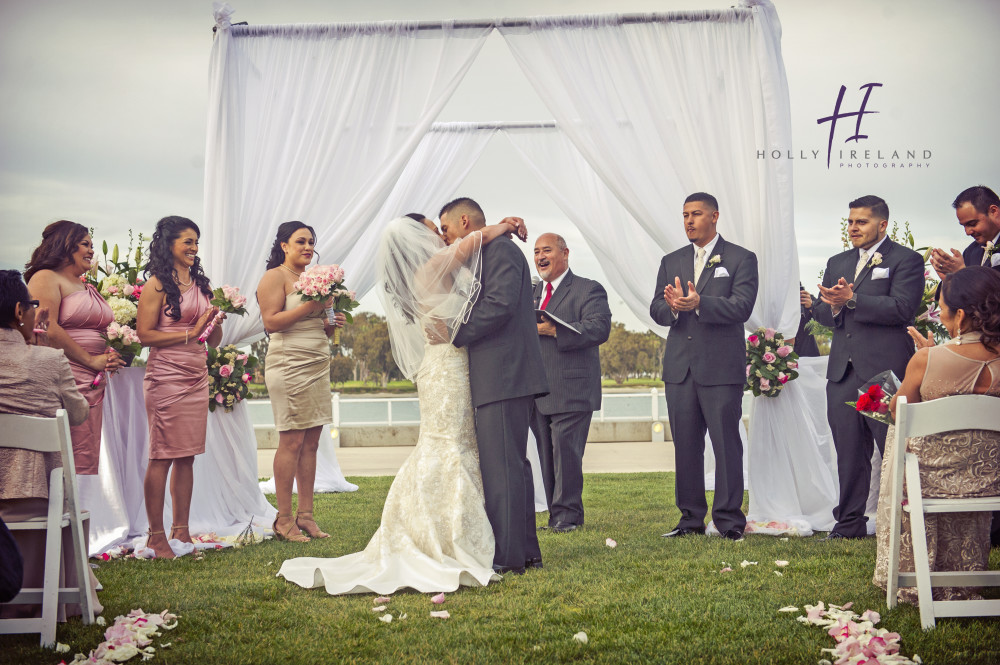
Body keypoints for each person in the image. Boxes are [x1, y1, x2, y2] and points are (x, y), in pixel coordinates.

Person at [277, 214, 523, 594]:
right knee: (449, 444)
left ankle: (445, 526)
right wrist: (506, 225)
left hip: (443, 364)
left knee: (448, 442)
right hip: (447, 367)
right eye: (432, 227)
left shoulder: (415, 276)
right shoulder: (433, 264)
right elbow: (478, 236)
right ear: (416, 238)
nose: (440, 233)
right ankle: (441, 533)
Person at [873, 266, 1000, 603]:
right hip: (991, 480)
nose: (940, 315)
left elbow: (900, 415)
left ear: (960, 315)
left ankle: (911, 571)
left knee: (900, 439)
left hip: (930, 482)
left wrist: (927, 357)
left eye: (942, 309)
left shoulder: (927, 359)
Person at [441, 198, 549, 574]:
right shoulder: (490, 250)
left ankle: (506, 558)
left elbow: (501, 304)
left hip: (504, 374)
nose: (445, 238)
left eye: (446, 230)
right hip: (503, 375)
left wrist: (455, 331)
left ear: (465, 221)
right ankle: (525, 552)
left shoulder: (499, 250)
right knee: (512, 466)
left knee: (502, 469)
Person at [813, 195, 925, 539]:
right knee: (848, 451)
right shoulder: (838, 261)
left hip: (882, 373)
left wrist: (853, 300)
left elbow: (903, 308)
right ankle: (848, 524)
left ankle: (905, 523)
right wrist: (832, 307)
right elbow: (820, 312)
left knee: (892, 449)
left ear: (882, 225)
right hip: (843, 372)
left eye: (860, 222)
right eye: (849, 222)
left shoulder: (905, 260)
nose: (853, 228)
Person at [649, 192, 758, 541]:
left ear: (715, 216)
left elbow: (741, 307)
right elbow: (656, 308)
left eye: (696, 214)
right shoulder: (671, 260)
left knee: (726, 444)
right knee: (686, 445)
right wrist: (674, 308)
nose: (689, 221)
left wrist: (700, 303)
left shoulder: (741, 258)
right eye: (684, 215)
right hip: (680, 369)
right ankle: (689, 519)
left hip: (721, 368)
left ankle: (728, 520)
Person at [0, 269, 98, 619]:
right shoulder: (50, 360)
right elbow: (78, 414)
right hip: (38, 497)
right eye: (31, 305)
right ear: (18, 311)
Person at [136, 216, 221, 559]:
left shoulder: (200, 283)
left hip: (196, 375)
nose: (193, 248)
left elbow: (212, 339)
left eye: (196, 242)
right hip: (166, 377)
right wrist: (191, 330)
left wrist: (213, 322)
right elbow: (144, 335)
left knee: (187, 456)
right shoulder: (157, 284)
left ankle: (181, 531)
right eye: (187, 241)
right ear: (169, 244)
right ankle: (156, 537)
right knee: (162, 456)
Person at [256, 221, 345, 543]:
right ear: (284, 245)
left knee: (312, 441)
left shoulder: (316, 279)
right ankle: (283, 518)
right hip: (288, 363)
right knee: (291, 441)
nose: (307, 247)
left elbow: (323, 327)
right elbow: (271, 322)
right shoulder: (274, 277)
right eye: (300, 241)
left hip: (318, 362)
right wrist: (312, 306)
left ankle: (306, 516)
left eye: (311, 242)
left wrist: (332, 321)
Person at [25, 220, 125, 475]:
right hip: (66, 374)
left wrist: (109, 354)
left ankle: (80, 509)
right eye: (85, 244)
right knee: (63, 453)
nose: (91, 251)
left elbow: (99, 331)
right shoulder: (46, 277)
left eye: (92, 245)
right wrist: (90, 361)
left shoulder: (86, 286)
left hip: (94, 380)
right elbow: (49, 327)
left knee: (84, 455)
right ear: (65, 245)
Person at [530, 233, 611, 533]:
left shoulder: (588, 289)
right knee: (547, 456)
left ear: (564, 253)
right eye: (536, 251)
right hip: (538, 389)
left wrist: (555, 331)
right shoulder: (532, 293)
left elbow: (599, 328)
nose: (540, 256)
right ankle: (559, 514)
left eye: (546, 250)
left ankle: (566, 517)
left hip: (573, 388)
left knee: (566, 453)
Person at [929, 185, 1000, 277]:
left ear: (993, 211)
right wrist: (950, 282)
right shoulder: (970, 252)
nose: (967, 232)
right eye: (964, 226)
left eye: (972, 224)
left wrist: (962, 273)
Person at [793, 284, 821, 357]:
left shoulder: (807, 298)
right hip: (780, 355)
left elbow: (825, 319)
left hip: (807, 352)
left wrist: (812, 306)